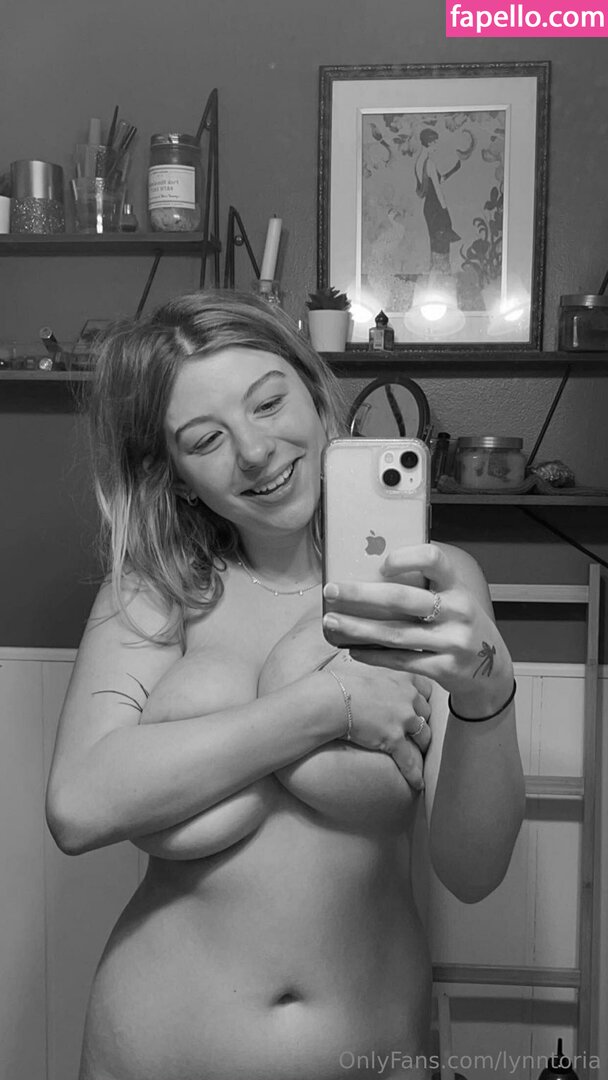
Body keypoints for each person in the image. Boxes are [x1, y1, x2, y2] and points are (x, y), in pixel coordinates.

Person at [45, 290, 525, 1080]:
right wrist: (323, 707)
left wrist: (486, 701)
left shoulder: (429, 584)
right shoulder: (156, 591)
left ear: (314, 394)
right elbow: (78, 806)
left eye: (269, 403)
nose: (255, 451)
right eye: (206, 439)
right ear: (178, 476)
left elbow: (474, 873)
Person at [414, 128, 462, 274]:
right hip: (436, 207)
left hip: (428, 208)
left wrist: (453, 170)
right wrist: (445, 211)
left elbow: (436, 180)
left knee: (435, 243)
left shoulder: (419, 162)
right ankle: (442, 277)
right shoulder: (430, 163)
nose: (436, 145)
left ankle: (435, 276)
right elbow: (438, 190)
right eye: (435, 142)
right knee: (442, 245)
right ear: (429, 142)